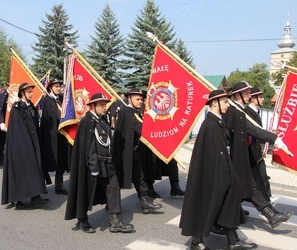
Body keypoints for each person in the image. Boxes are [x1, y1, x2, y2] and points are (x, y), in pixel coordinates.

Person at [179, 89, 257, 250]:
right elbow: (216, 155)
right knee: (205, 204)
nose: (228, 105)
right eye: (225, 102)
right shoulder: (211, 125)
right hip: (212, 175)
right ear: (215, 103)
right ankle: (196, 241)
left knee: (227, 205)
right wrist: (226, 177)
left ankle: (233, 240)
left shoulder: (217, 122)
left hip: (221, 173)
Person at [223, 81, 291, 229]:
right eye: (246, 93)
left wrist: (274, 139)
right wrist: (275, 139)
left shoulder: (239, 111)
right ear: (237, 95)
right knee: (244, 187)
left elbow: (253, 129)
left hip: (240, 157)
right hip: (232, 158)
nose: (249, 95)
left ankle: (269, 214)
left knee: (242, 188)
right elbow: (236, 134)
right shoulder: (233, 112)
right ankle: (270, 215)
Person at [65, 93, 134, 234]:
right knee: (85, 191)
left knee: (113, 189)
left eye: (105, 104)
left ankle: (115, 222)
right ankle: (82, 220)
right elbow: (88, 146)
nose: (104, 107)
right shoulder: (87, 121)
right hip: (93, 164)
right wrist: (93, 166)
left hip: (107, 163)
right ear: (93, 106)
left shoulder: (102, 121)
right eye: (101, 105)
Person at [113, 88, 162, 214]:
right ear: (130, 99)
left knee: (139, 177)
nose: (140, 101)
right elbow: (135, 128)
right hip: (124, 152)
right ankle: (112, 205)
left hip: (135, 151)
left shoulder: (136, 112)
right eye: (137, 99)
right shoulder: (126, 111)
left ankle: (145, 203)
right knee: (118, 178)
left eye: (142, 99)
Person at [1, 82, 50, 209]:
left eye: (32, 91)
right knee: (23, 170)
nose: (31, 94)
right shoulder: (17, 109)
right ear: (22, 93)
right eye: (29, 92)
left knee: (34, 169)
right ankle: (20, 199)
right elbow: (17, 131)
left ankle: (35, 197)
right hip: (22, 145)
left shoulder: (31, 107)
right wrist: (26, 145)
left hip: (33, 143)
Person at [40, 79, 69, 195]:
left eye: (59, 86)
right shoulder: (47, 100)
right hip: (50, 136)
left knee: (61, 159)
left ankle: (59, 185)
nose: (58, 88)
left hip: (61, 135)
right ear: (50, 88)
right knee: (47, 159)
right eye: (56, 86)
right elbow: (46, 120)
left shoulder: (61, 99)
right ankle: (42, 184)